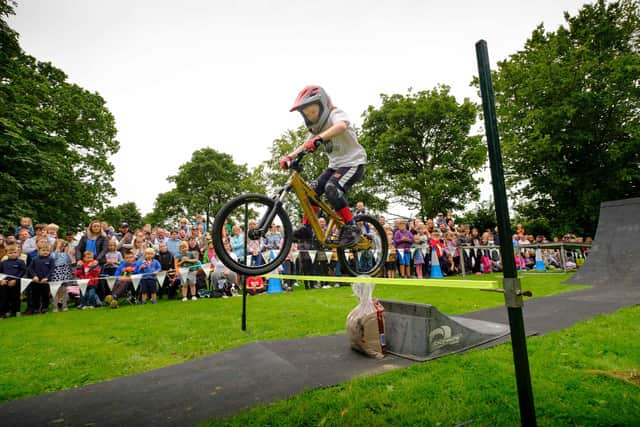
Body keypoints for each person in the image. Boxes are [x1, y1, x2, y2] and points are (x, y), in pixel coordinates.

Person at [281, 85, 367, 248]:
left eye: (313, 112)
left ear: (323, 106)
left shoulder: (336, 113)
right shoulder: (317, 129)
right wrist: (290, 157)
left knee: (331, 187)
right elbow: (306, 144)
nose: (311, 117)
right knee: (312, 191)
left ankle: (351, 227)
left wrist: (319, 138)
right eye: (307, 115)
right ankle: (307, 227)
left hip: (353, 163)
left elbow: (341, 126)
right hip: (335, 166)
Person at [25, 241, 55, 314]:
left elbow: (52, 270)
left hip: (46, 281)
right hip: (36, 281)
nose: (45, 252)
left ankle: (45, 308)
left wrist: (47, 278)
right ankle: (36, 308)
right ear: (39, 251)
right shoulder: (35, 259)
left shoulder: (51, 259)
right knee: (35, 295)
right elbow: (30, 268)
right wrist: (34, 276)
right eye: (43, 250)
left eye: (47, 251)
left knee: (45, 295)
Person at [0, 244, 26, 318]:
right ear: (6, 253)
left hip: (16, 283)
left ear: (18, 253)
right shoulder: (3, 263)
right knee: (4, 297)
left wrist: (16, 280)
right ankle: (4, 312)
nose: (12, 254)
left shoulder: (21, 262)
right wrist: (2, 280)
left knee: (15, 297)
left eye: (14, 252)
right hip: (5, 283)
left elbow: (23, 272)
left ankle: (16, 311)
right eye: (10, 253)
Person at [51, 239, 74, 312]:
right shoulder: (53, 253)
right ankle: (55, 307)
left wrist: (67, 251)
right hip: (56, 273)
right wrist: (57, 248)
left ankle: (64, 305)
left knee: (64, 290)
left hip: (65, 273)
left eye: (62, 245)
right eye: (59, 244)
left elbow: (69, 262)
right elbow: (53, 258)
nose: (61, 246)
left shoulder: (66, 254)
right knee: (55, 290)